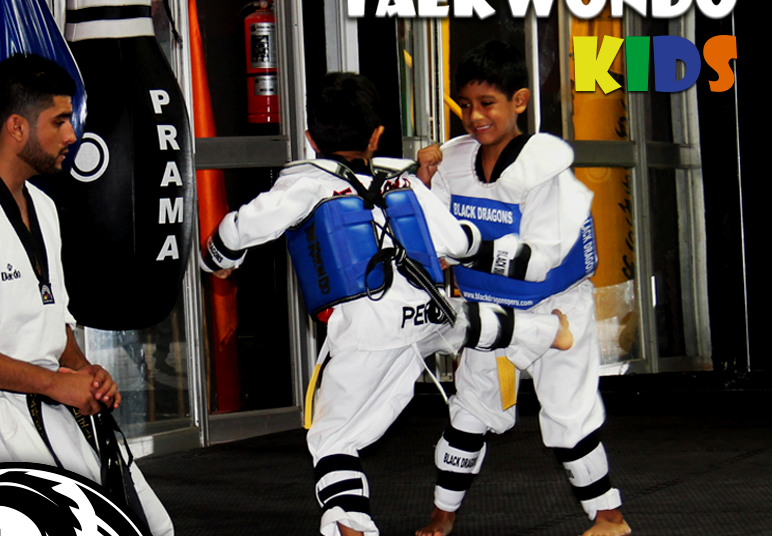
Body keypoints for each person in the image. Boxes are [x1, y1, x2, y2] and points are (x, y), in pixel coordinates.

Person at [201, 72, 574, 536]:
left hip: (369, 332)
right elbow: (459, 243)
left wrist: (218, 261)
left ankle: (352, 524)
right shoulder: (402, 184)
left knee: (332, 438)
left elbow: (236, 229)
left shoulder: (304, 185)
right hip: (423, 313)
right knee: (461, 321)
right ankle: (548, 331)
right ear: (376, 135)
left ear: (310, 137)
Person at [414, 41, 631, 536]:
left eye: (487, 103)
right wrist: (424, 181)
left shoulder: (545, 169)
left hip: (555, 306)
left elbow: (538, 261)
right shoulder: (453, 160)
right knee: (469, 411)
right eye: (465, 104)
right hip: (491, 306)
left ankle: (610, 518)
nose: (474, 116)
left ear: (519, 101)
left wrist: (463, 250)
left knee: (567, 415)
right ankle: (442, 514)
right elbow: (433, 231)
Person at [0, 53, 173, 535]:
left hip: (48, 407)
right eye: (59, 121)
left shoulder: (44, 206)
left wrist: (84, 372)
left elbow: (51, 315)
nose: (72, 135)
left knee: (150, 524)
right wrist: (54, 384)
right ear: (16, 126)